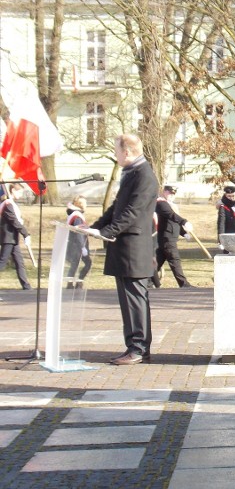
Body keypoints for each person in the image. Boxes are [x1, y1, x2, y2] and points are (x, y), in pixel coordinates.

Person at [90, 133, 158, 366]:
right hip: (124, 247)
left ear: (127, 152)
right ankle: (135, 346)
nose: (116, 155)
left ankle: (138, 348)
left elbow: (133, 212)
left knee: (135, 300)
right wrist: (96, 227)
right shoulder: (132, 174)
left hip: (134, 248)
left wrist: (107, 232)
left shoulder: (144, 175)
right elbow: (117, 207)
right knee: (128, 300)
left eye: (117, 151)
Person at [153, 185, 195, 288]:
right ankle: (184, 284)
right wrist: (184, 221)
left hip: (167, 237)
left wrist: (183, 233)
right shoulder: (160, 203)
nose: (171, 195)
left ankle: (147, 282)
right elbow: (170, 215)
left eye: (173, 194)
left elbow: (173, 222)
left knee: (157, 262)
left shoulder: (169, 204)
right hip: (167, 238)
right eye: (169, 193)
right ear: (164, 192)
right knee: (174, 260)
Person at [0, 183, 32, 290]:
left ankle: (26, 286)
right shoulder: (7, 204)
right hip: (8, 237)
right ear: (13, 190)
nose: (21, 195)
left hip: (13, 238)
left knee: (19, 262)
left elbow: (16, 220)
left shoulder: (12, 204)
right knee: (2, 263)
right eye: (19, 192)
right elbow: (14, 221)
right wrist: (26, 234)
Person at [65, 196, 92, 289]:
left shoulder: (74, 214)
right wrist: (82, 247)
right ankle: (79, 281)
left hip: (74, 243)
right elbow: (79, 231)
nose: (86, 205)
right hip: (77, 244)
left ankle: (70, 283)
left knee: (75, 264)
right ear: (79, 204)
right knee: (87, 263)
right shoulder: (77, 216)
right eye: (84, 203)